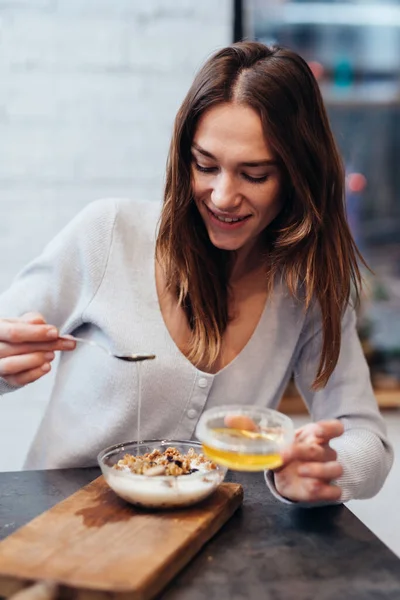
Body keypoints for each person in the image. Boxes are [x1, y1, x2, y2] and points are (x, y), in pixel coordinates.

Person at [0, 41, 393, 505]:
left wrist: (322, 467)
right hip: (63, 529)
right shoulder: (107, 234)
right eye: (205, 165)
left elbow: (368, 440)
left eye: (255, 175)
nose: (223, 196)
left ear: (296, 176)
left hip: (209, 550)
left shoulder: (304, 290)